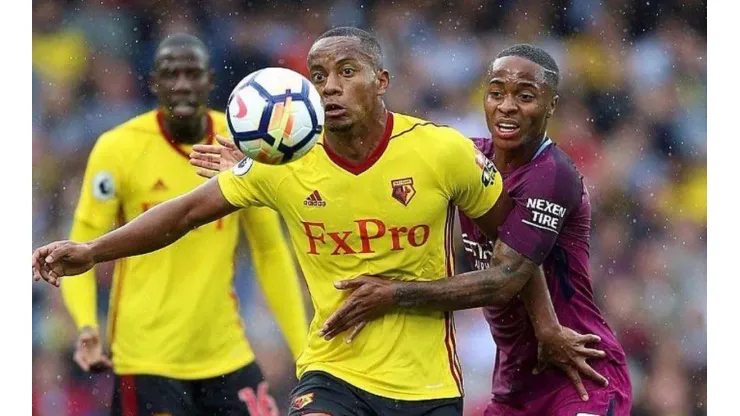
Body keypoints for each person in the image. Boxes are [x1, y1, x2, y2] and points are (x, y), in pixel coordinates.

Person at [35, 28, 604, 416]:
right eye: (318, 74)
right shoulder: (284, 164)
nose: (328, 85)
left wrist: (547, 324)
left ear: (380, 81)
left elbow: (514, 248)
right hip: (333, 373)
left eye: (346, 71)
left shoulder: (439, 152)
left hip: (429, 385)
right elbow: (182, 213)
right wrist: (92, 251)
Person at [318, 45, 632, 415]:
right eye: (496, 93)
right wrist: (274, 160)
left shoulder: (552, 175)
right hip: (516, 387)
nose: (507, 106)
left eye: (525, 96)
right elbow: (384, 164)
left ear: (551, 106)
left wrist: (394, 293)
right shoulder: (468, 160)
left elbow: (504, 280)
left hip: (580, 376)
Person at [55, 33, 308, 416]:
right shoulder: (118, 148)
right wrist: (88, 326)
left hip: (225, 353)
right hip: (146, 359)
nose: (183, 84)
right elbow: (83, 245)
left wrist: (302, 350)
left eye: (193, 74)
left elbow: (270, 250)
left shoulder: (242, 144)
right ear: (154, 82)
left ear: (209, 80)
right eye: (172, 74)